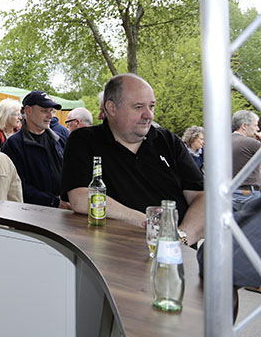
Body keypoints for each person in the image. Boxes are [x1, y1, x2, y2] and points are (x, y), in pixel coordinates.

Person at [61, 73, 205, 245]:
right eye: (138, 107)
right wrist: (149, 223)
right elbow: (80, 198)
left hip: (178, 253)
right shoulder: (84, 141)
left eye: (151, 106)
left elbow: (201, 197)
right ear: (111, 108)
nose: (148, 115)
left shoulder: (168, 141)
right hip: (115, 252)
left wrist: (179, 239)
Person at [1, 90, 70, 208]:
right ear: (29, 110)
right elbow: (17, 186)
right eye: (44, 110)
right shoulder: (13, 145)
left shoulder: (59, 140)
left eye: (51, 111)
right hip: (31, 213)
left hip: (63, 211)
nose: (50, 116)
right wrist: (53, 202)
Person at [231, 110, 261, 206]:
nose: (257, 129)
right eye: (255, 125)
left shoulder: (223, 141)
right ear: (244, 126)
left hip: (228, 193)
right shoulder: (251, 143)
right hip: (249, 194)